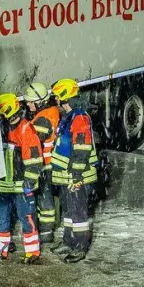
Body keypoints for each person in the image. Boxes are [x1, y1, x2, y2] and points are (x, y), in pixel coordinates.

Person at [0, 94, 45, 265]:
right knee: (0, 219)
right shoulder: (0, 129)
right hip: (1, 185)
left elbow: (34, 159)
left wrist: (29, 181)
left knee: (27, 217)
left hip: (20, 186)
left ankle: (32, 251)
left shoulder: (26, 129)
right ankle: (0, 249)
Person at [49, 78, 99, 263]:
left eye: (56, 97)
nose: (55, 100)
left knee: (78, 214)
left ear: (64, 97)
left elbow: (82, 150)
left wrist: (76, 175)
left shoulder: (79, 118)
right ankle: (69, 241)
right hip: (67, 177)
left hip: (77, 177)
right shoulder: (69, 117)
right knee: (69, 212)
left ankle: (79, 247)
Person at [23, 82, 60, 240]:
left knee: (45, 199)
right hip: (48, 163)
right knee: (46, 198)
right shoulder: (50, 112)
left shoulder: (43, 119)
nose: (28, 105)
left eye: (31, 102)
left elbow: (34, 143)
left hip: (44, 165)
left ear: (40, 101)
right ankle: (46, 230)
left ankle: (46, 232)